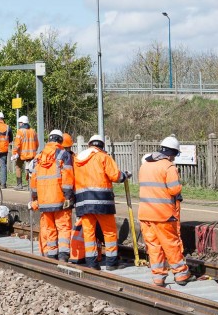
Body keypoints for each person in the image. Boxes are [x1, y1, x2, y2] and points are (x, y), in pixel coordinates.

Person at [138, 136, 192, 287]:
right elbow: (174, 189)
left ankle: (158, 277)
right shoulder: (168, 167)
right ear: (172, 153)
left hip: (145, 214)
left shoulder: (145, 165)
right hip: (163, 215)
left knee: (154, 247)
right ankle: (181, 274)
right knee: (171, 245)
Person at [73, 134, 130, 270]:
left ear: (89, 145)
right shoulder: (104, 157)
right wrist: (125, 175)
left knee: (89, 232)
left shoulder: (77, 160)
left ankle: (92, 263)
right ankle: (111, 263)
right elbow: (115, 176)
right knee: (109, 232)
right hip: (102, 202)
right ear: (102, 146)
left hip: (83, 203)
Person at [29, 129, 74, 261]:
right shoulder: (63, 154)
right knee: (63, 227)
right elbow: (67, 177)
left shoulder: (39, 156)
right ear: (60, 141)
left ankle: (51, 254)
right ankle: (63, 255)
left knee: (49, 228)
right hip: (59, 198)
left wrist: (35, 198)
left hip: (43, 200)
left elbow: (34, 180)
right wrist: (68, 196)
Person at [11, 115, 38, 189]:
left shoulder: (20, 131)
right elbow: (37, 144)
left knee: (18, 167)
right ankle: (30, 185)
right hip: (32, 154)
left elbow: (17, 144)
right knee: (30, 168)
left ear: (22, 123)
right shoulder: (33, 131)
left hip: (22, 154)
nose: (19, 124)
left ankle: (19, 184)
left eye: (19, 123)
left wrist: (14, 154)